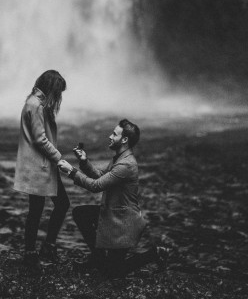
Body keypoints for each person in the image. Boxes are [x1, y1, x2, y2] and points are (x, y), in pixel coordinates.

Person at [59, 119, 168, 278]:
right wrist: (84, 161)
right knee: (81, 213)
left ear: (124, 140)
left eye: (114, 134)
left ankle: (155, 253)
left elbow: (96, 186)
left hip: (123, 224)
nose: (110, 136)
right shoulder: (119, 158)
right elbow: (102, 177)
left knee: (112, 273)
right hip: (113, 216)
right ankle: (98, 258)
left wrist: (71, 171)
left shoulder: (126, 165)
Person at [14, 70, 73, 267]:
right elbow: (40, 139)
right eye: (59, 93)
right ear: (51, 89)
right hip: (40, 166)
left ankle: (41, 249)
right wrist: (59, 159)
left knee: (44, 208)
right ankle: (35, 252)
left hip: (42, 165)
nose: (60, 97)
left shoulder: (33, 101)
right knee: (42, 209)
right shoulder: (37, 106)